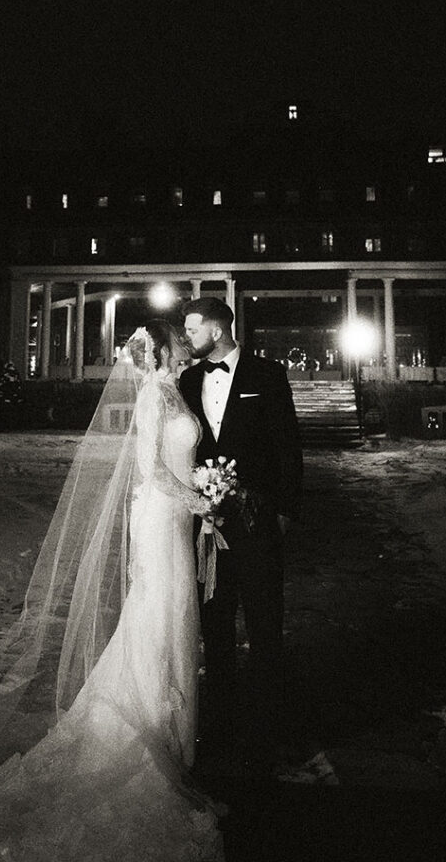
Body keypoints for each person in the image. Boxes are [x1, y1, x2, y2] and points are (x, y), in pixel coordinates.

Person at [0, 320, 225, 862]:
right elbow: (150, 468)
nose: (183, 341)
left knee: (174, 610)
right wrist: (197, 498)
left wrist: (204, 484)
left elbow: (178, 459)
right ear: (160, 349)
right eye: (175, 337)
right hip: (161, 513)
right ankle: (145, 713)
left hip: (178, 514)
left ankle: (170, 726)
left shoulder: (176, 387)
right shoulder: (155, 394)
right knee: (159, 607)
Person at [180, 298, 303, 779]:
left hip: (256, 521)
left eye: (193, 328)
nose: (187, 336)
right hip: (205, 527)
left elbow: (287, 444)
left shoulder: (266, 375)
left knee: (264, 619)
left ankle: (268, 722)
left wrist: (287, 509)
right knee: (215, 622)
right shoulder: (188, 381)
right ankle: (222, 721)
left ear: (216, 328)